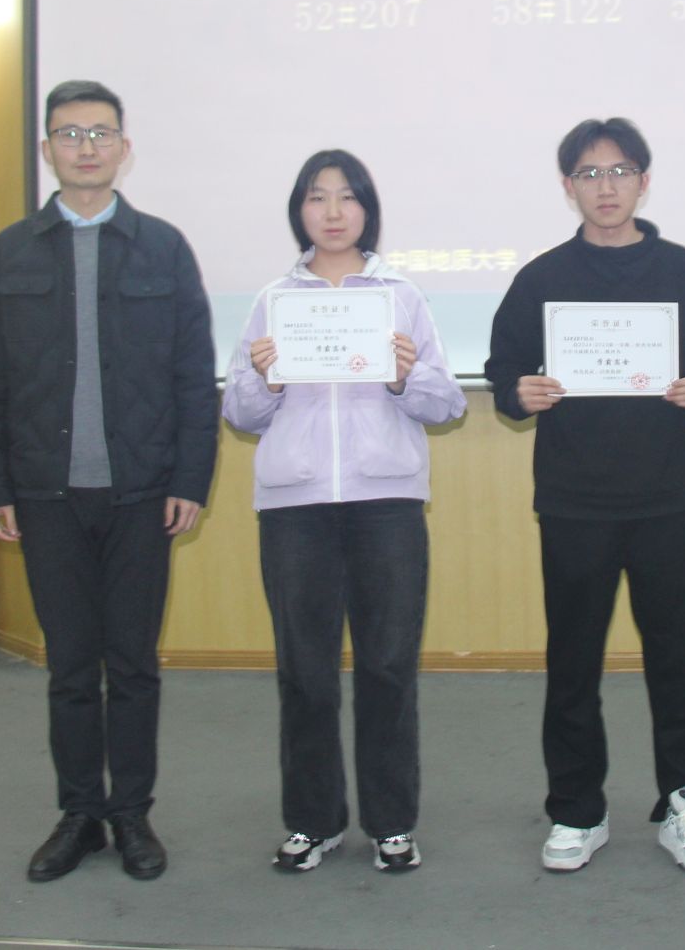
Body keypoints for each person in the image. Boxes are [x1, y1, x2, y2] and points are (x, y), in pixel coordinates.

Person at [0, 79, 218, 883]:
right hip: (45, 494)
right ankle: (80, 812)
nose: (85, 146)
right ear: (47, 149)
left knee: (133, 664)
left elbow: (192, 377)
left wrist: (191, 478)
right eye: (69, 133)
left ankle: (132, 813)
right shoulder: (10, 251)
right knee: (72, 666)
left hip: (143, 493)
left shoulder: (163, 247)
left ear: (123, 148)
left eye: (100, 132)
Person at [484, 117, 685, 875]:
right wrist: (520, 392)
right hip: (573, 502)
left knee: (675, 661)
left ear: (644, 181)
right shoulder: (541, 279)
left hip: (666, 500)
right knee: (573, 665)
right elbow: (503, 373)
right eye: (590, 174)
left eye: (620, 171)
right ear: (569, 187)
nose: (606, 186)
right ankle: (576, 809)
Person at [223, 150, 466, 875]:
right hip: (295, 506)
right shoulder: (274, 299)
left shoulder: (401, 296)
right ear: (299, 210)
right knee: (305, 671)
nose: (333, 211)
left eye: (347, 196)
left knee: (388, 666)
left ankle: (392, 822)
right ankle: (313, 821)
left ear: (367, 208)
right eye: (317, 197)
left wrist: (402, 376)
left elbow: (446, 403)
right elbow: (239, 412)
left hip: (385, 501)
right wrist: (266, 379)